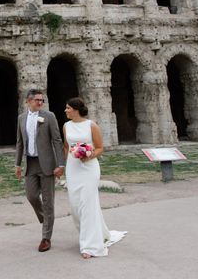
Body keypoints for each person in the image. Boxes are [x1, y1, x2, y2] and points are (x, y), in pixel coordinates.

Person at [63, 97, 126, 258]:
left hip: (89, 168)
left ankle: (90, 246)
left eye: (68, 108)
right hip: (73, 168)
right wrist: (65, 165)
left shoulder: (91, 125)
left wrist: (89, 155)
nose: (65, 110)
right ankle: (93, 234)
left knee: (87, 204)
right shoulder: (66, 126)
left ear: (76, 110)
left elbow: (99, 148)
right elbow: (66, 147)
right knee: (75, 205)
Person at [15, 89, 65, 252]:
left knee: (48, 201)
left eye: (42, 100)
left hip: (47, 164)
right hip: (30, 163)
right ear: (28, 101)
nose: (40, 103)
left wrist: (61, 164)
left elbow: (57, 140)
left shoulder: (49, 116)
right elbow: (19, 143)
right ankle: (47, 220)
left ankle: (46, 238)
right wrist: (17, 164)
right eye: (37, 100)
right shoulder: (21, 118)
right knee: (31, 196)